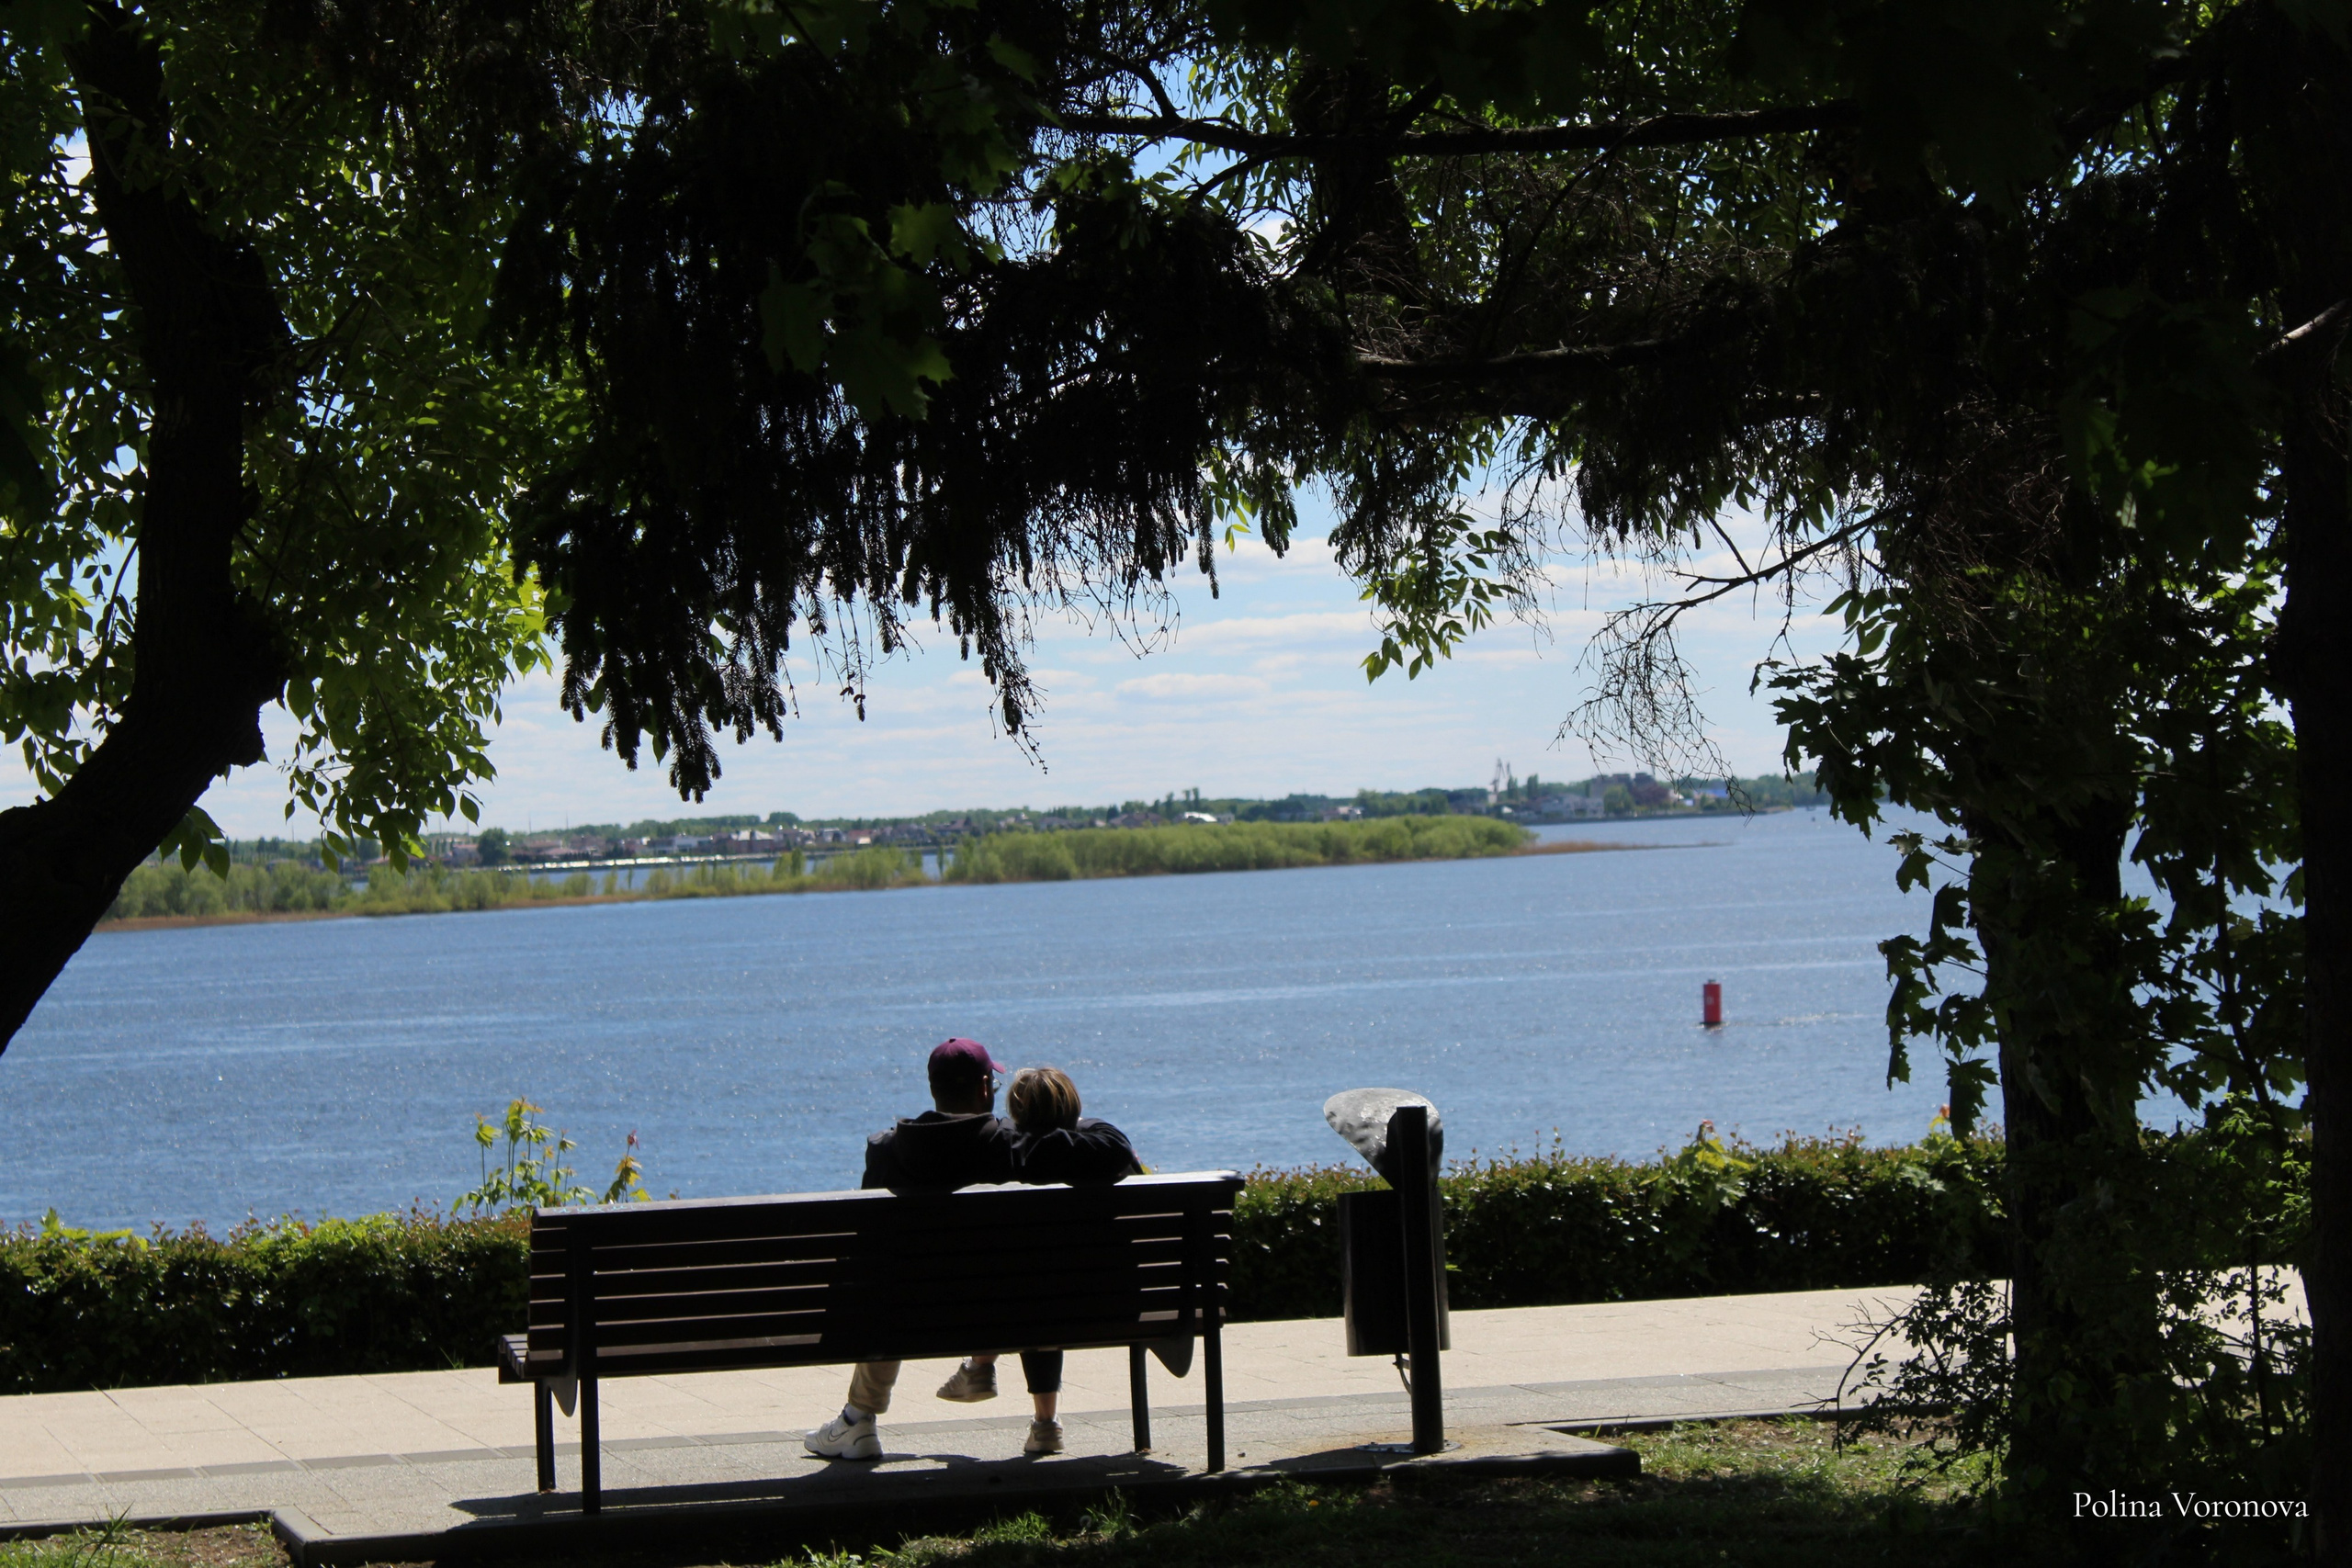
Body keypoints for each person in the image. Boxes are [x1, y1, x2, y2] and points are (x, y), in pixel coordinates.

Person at [803, 1037, 1016, 1461]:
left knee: (889, 1277)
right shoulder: (1011, 1146)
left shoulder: (887, 1150)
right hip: (1000, 1312)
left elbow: (867, 1242)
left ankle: (857, 1420)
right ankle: (1044, 1423)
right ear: (986, 1088)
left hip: (903, 1313)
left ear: (934, 1090)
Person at [930, 1066, 1144, 1456]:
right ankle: (1037, 1418)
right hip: (1120, 1305)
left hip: (1028, 1305)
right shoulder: (1104, 1151)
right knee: (1046, 1280)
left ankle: (982, 1367)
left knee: (1032, 1277)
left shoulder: (1007, 1154)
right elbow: (1115, 1142)